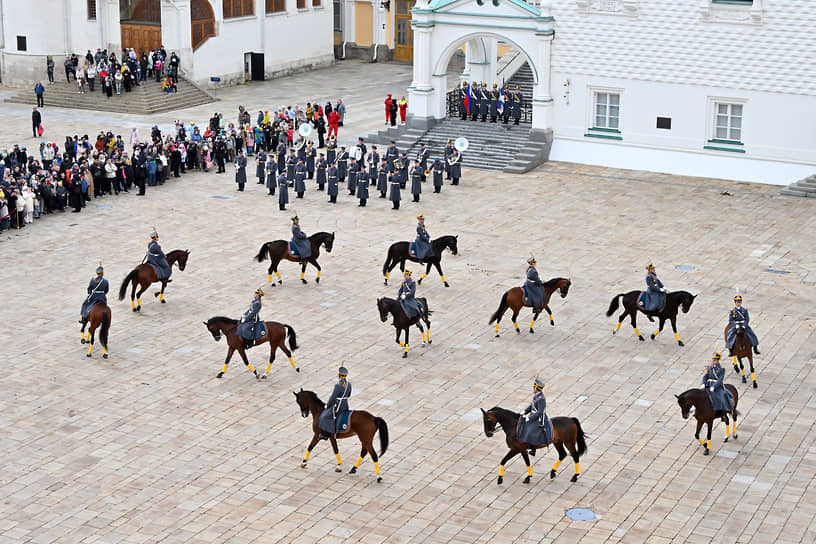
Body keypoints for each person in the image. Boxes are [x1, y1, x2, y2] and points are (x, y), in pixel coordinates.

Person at [518, 376, 553, 453]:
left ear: (536, 388)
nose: (533, 389)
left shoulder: (541, 399)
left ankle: (533, 449)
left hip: (539, 418)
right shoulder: (536, 396)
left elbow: (540, 412)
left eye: (534, 387)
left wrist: (530, 418)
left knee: (530, 430)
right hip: (533, 415)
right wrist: (524, 411)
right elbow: (532, 406)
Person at [318, 366, 352, 440]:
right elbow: (349, 395)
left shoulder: (338, 385)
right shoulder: (349, 384)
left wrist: (328, 405)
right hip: (345, 404)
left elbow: (333, 397)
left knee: (324, 416)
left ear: (339, 375)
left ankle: (326, 434)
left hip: (338, 405)